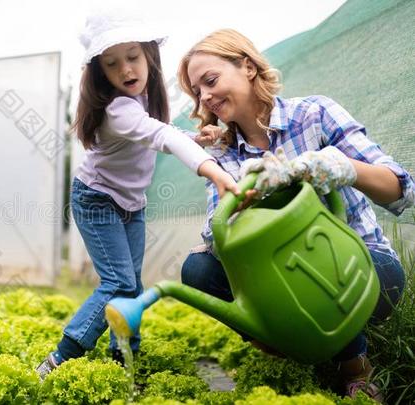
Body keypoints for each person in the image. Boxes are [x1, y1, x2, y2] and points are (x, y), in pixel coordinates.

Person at [177, 29, 414, 401]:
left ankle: (354, 367)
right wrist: (242, 196)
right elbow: (218, 234)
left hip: (366, 270)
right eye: (197, 92)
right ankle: (295, 345)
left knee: (313, 259)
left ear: (248, 66)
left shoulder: (315, 114)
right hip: (285, 282)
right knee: (198, 269)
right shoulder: (222, 155)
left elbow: (401, 190)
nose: (205, 96)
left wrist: (340, 167)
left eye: (210, 81)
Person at [35, 13, 238, 380]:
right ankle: (59, 359)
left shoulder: (142, 100)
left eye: (132, 57)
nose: (125, 69)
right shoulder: (117, 109)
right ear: (101, 73)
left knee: (133, 282)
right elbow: (162, 138)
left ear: (148, 56)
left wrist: (194, 139)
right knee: (118, 283)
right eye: (112, 64)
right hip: (96, 201)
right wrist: (213, 169)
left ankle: (123, 357)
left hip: (130, 204)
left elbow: (161, 132)